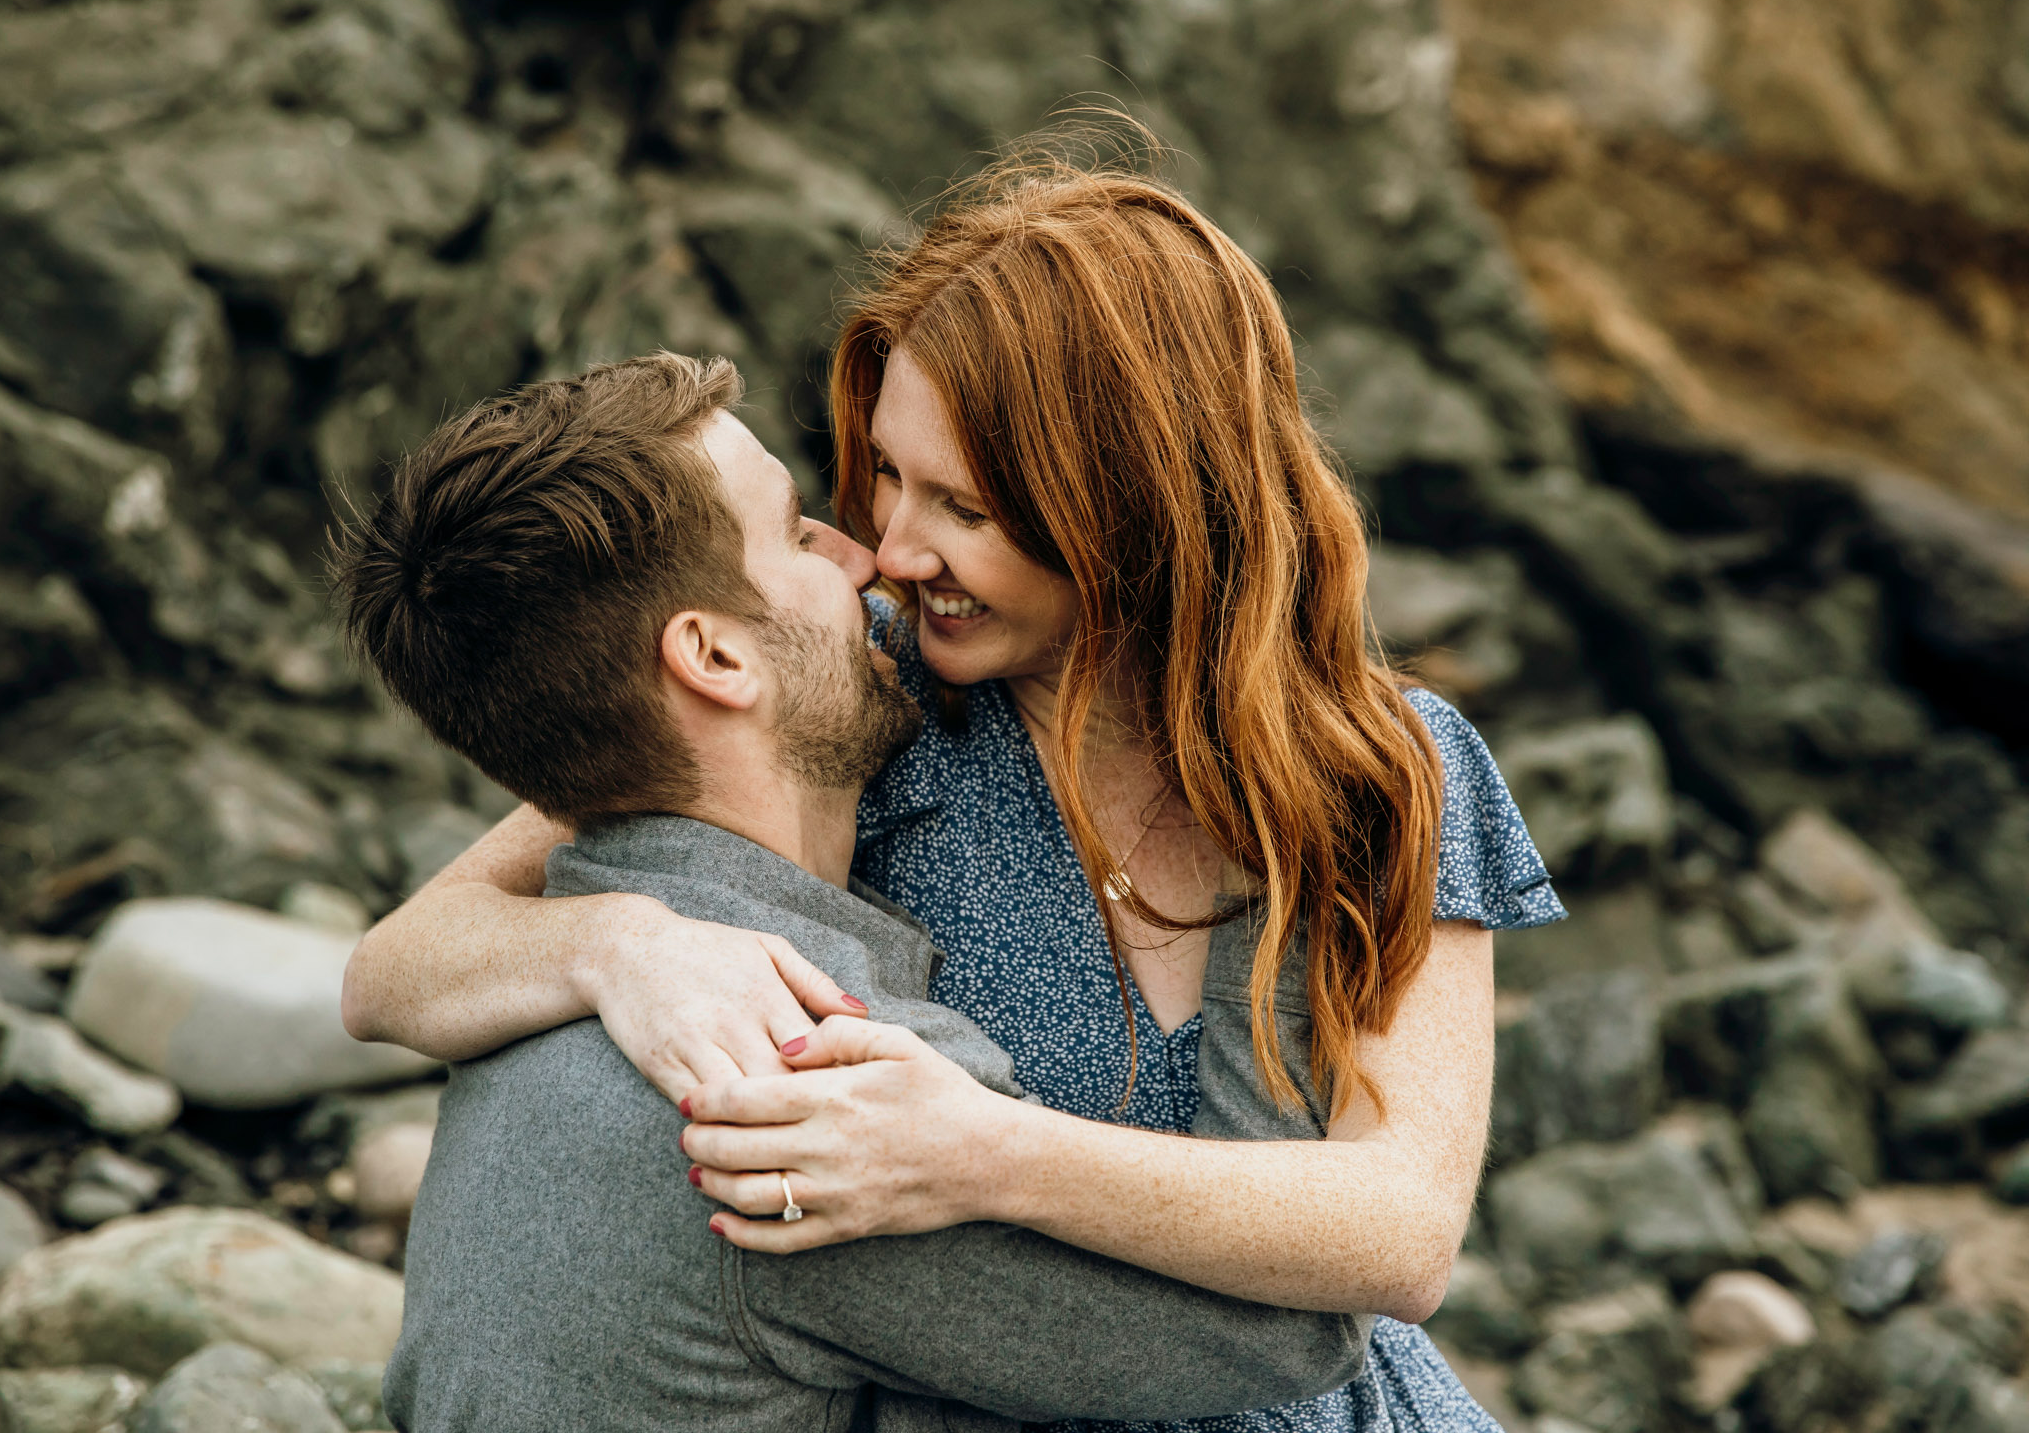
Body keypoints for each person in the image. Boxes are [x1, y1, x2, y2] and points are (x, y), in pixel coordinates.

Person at [344, 147, 1565, 1432]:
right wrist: (619, 946)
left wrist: (980, 1152)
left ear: (1130, 509)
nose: (889, 547)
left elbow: (1403, 1234)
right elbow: (397, 968)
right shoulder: (864, 700)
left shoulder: (1383, 770)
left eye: (963, 507)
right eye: (885, 474)